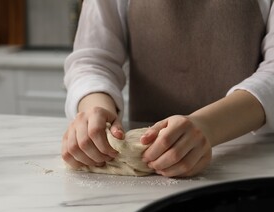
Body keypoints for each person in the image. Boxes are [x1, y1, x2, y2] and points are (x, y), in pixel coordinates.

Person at [61, 0, 274, 177]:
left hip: (252, 160)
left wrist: (207, 127)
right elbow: (92, 60)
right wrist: (95, 111)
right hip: (149, 167)